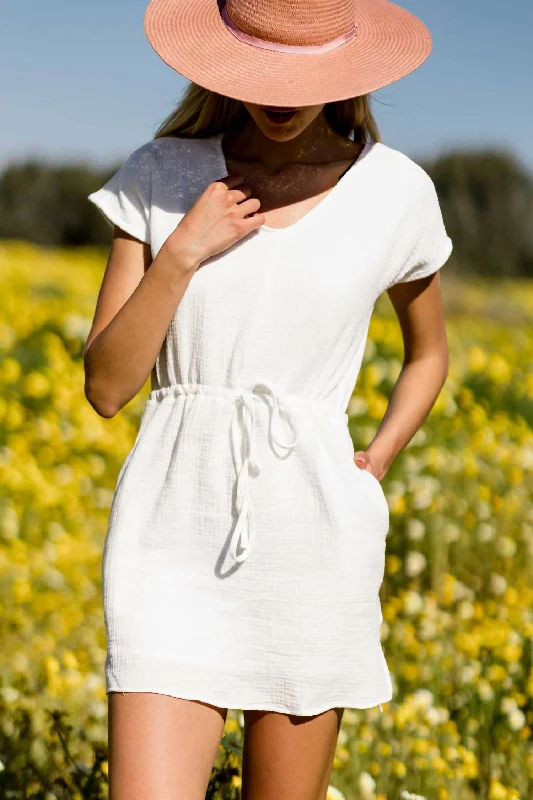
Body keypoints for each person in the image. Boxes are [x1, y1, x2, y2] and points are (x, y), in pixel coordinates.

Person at [84, 0, 453, 796]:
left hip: (314, 537)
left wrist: (375, 458)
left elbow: (428, 354)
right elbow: (108, 387)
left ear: (343, 67)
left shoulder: (395, 191)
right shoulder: (160, 173)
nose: (280, 96)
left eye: (303, 72)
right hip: (168, 534)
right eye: (263, 69)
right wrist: (181, 251)